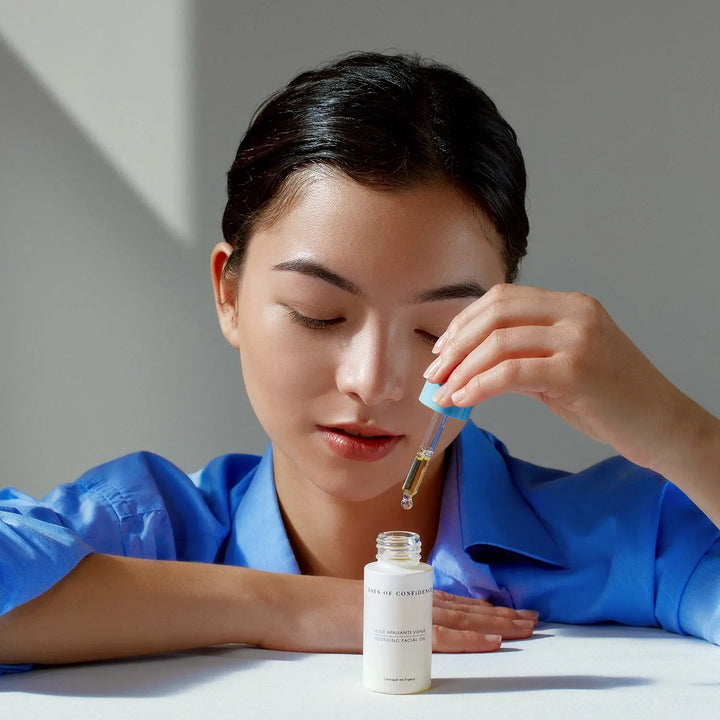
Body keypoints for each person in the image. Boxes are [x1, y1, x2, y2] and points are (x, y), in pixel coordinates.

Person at [1, 52, 718, 673]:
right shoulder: (149, 531)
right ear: (229, 293)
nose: (374, 381)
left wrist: (678, 432)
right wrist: (294, 609)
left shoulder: (627, 540)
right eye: (320, 313)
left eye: (438, 327)